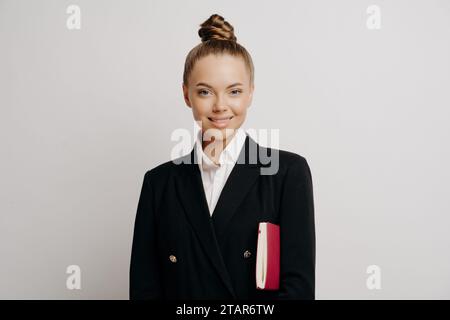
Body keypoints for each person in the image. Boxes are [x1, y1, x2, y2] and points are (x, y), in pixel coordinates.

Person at [130, 13, 315, 300]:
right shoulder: (158, 183)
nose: (220, 106)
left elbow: (299, 291)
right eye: (205, 91)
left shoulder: (287, 173)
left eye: (234, 91)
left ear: (250, 93)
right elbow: (144, 289)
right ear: (186, 95)